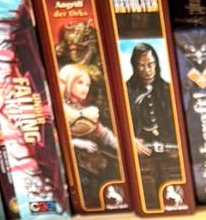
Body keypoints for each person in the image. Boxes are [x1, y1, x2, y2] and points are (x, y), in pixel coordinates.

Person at [124, 42, 179, 209]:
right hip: (142, 152)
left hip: (169, 150)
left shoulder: (168, 89)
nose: (147, 70)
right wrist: (131, 139)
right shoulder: (126, 91)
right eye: (141, 65)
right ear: (134, 65)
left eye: (150, 64)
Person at [57, 64, 121, 207]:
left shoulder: (88, 110)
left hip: (94, 162)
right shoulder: (58, 108)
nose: (85, 88)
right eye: (80, 83)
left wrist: (121, 145)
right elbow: (53, 138)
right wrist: (77, 143)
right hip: (71, 165)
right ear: (68, 82)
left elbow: (102, 133)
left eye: (87, 84)